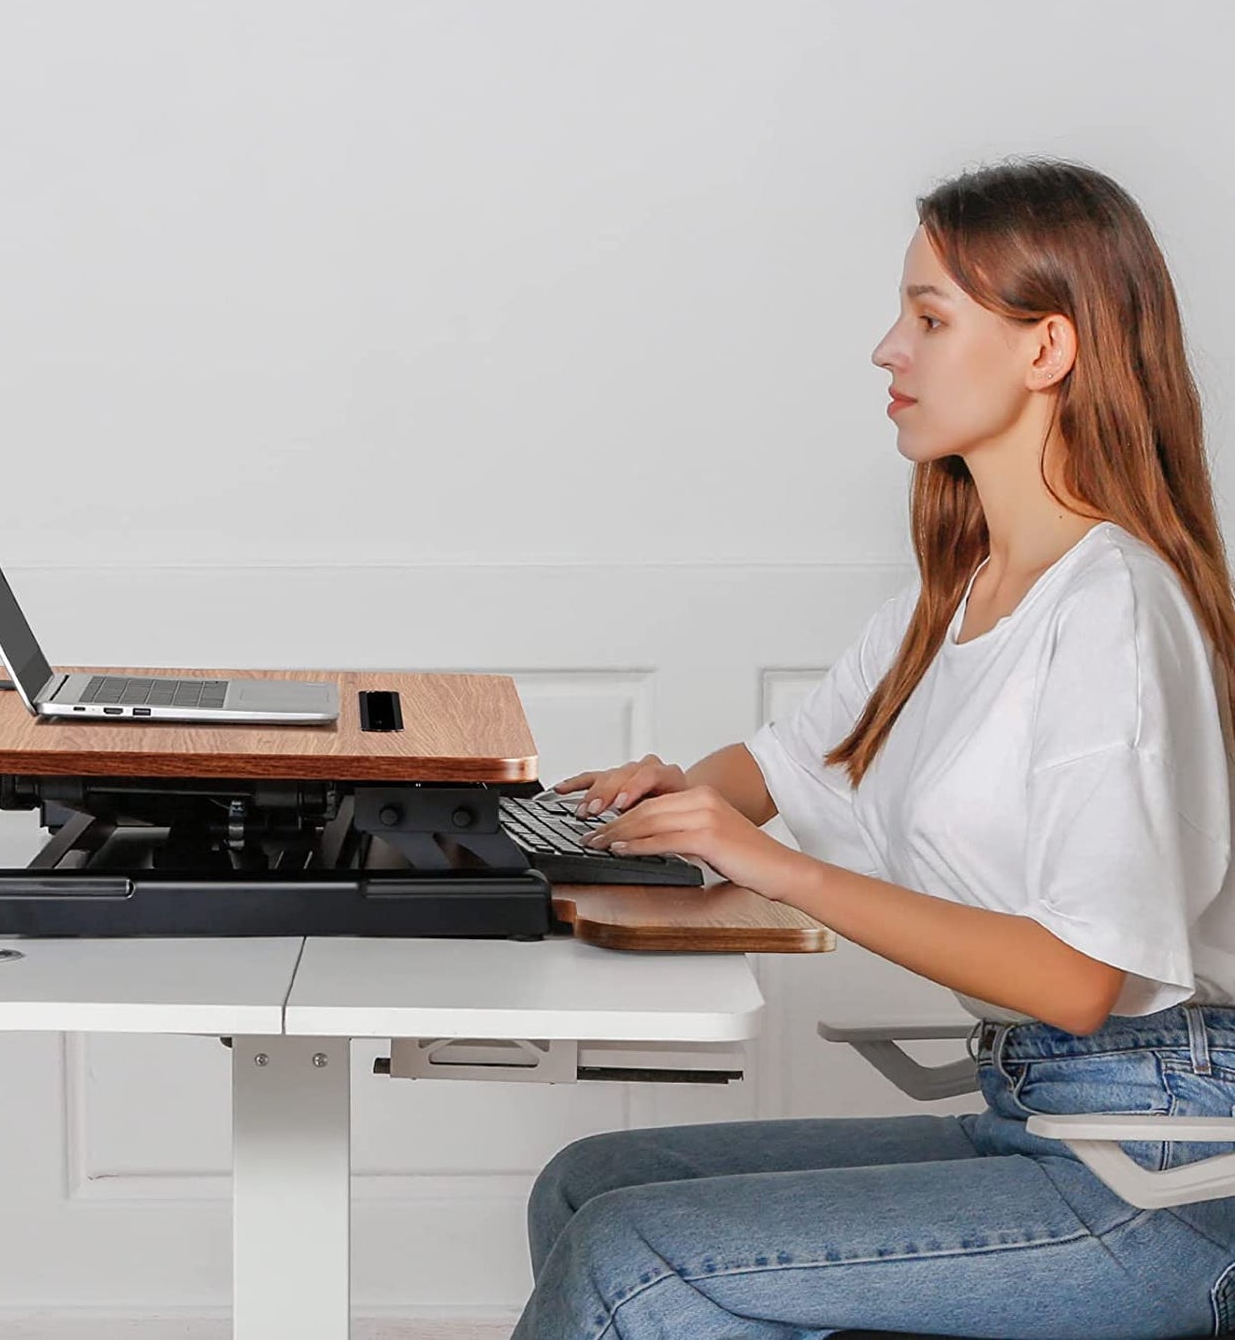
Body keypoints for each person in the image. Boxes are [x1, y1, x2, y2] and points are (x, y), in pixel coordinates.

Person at [509, 157, 1235, 1340]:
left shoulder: (1111, 607)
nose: (885, 349)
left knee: (630, 1255)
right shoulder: (956, 593)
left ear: (1045, 350)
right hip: (1041, 1114)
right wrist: (680, 791)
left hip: (1157, 1175)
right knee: (590, 1181)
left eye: (929, 317)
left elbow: (1075, 979)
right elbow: (795, 757)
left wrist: (768, 863)